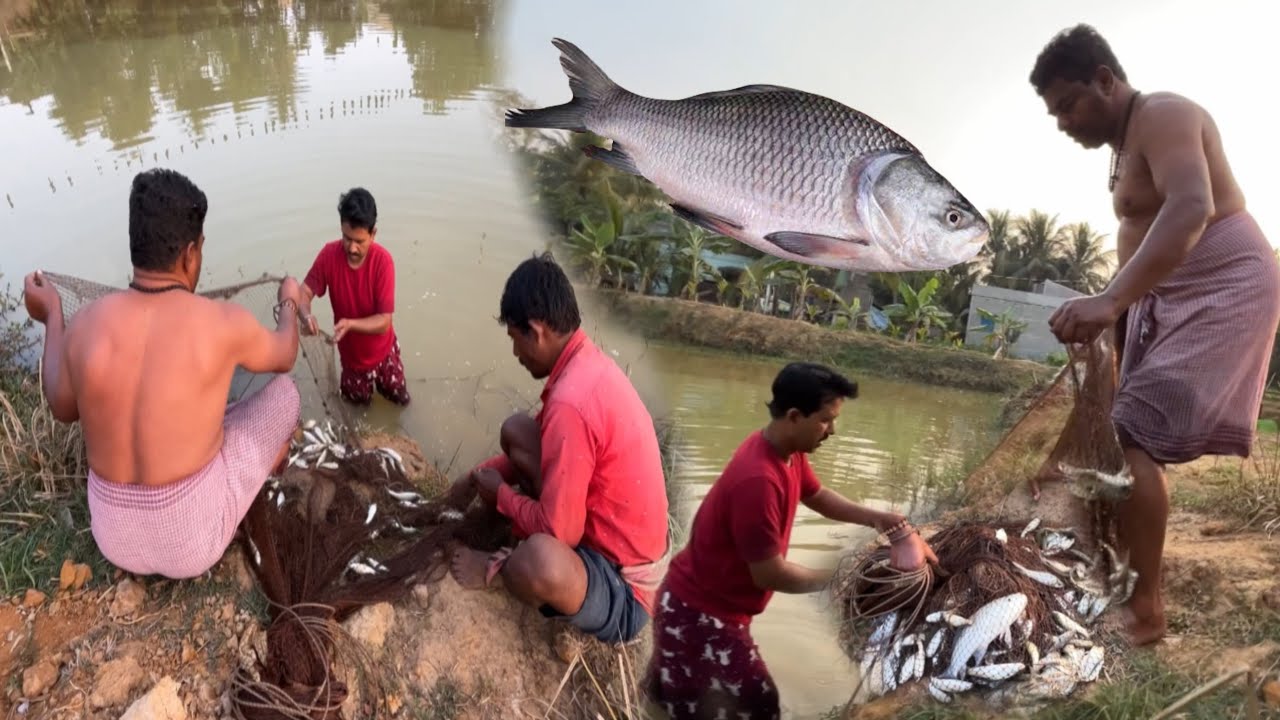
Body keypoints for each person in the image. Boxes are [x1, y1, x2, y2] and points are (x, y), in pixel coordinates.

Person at [1030, 24, 1280, 646]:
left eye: (1068, 104)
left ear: (1106, 81)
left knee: (1130, 435)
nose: (1062, 123)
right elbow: (1142, 239)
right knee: (1101, 430)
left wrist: (1112, 297)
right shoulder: (1121, 152)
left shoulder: (1164, 113)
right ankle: (1109, 573)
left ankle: (1146, 610)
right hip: (1160, 293)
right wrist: (1110, 318)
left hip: (1223, 281)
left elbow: (1191, 207)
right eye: (1054, 112)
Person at [21, 168, 304, 579]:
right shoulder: (222, 323)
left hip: (113, 536)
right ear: (190, 253)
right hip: (192, 542)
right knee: (284, 394)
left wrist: (52, 317)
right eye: (201, 251)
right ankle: (264, 466)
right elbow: (286, 354)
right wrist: (289, 302)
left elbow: (62, 406)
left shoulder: (84, 323)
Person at [646, 362, 938, 720]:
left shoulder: (787, 452)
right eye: (826, 420)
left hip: (709, 607)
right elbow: (770, 574)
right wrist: (838, 580)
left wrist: (876, 518)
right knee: (759, 704)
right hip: (698, 616)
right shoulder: (758, 481)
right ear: (795, 416)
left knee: (674, 699)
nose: (833, 430)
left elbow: (816, 495)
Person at [447, 252, 670, 645]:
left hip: (624, 587)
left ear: (536, 331)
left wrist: (501, 496)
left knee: (541, 559)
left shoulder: (571, 402)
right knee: (517, 429)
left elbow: (559, 532)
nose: (516, 355)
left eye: (516, 341)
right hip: (603, 531)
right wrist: (472, 477)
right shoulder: (585, 364)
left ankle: (496, 571)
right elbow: (533, 440)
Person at [299, 187, 409, 406]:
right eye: (347, 238)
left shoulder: (383, 263)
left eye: (360, 241)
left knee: (400, 403)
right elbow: (304, 292)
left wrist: (350, 324)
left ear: (373, 234)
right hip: (352, 362)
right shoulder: (329, 256)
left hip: (385, 355)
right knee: (356, 411)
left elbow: (384, 322)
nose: (352, 247)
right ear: (341, 227)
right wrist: (306, 315)